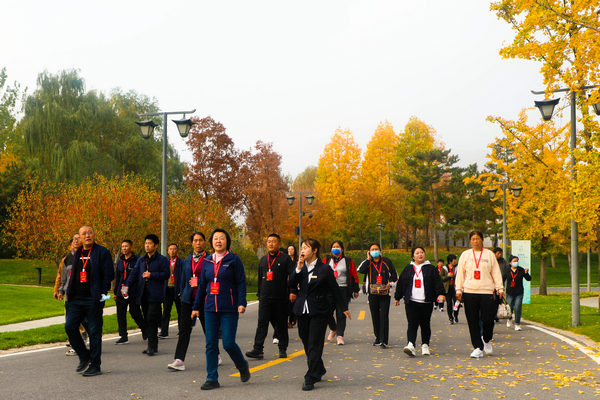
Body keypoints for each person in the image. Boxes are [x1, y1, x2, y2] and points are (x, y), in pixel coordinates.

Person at [191, 228, 250, 390]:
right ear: (211, 242)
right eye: (215, 238)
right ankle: (212, 378)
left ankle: (242, 365)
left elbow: (240, 282)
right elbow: (202, 286)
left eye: (222, 238)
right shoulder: (207, 262)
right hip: (210, 308)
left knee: (228, 343)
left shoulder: (233, 260)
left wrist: (241, 302)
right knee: (211, 344)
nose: (218, 241)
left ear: (227, 241)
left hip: (229, 308)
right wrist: (196, 307)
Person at [290, 238, 349, 391]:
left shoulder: (324, 269)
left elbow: (335, 290)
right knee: (306, 341)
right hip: (302, 310)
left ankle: (310, 376)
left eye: (306, 247)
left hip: (319, 310)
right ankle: (319, 368)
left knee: (315, 343)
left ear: (314, 250)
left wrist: (343, 307)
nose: (303, 250)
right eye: (301, 247)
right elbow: (291, 284)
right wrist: (297, 268)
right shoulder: (300, 267)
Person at [64, 225, 114, 377]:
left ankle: (95, 365)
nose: (87, 235)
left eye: (90, 232)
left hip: (93, 299)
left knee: (94, 332)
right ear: (79, 237)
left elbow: (108, 274)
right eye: (84, 233)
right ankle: (84, 356)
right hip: (75, 299)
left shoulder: (102, 252)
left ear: (94, 234)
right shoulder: (76, 253)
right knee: (70, 327)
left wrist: (101, 294)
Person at [455, 231, 505, 358]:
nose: (475, 241)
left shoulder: (489, 255)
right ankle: (478, 347)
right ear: (470, 241)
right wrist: (458, 289)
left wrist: (499, 288)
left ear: (482, 240)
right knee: (472, 320)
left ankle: (487, 339)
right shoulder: (465, 255)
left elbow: (496, 272)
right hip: (470, 291)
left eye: (477, 239)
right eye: (473, 239)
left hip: (486, 291)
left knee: (488, 319)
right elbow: (460, 273)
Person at [246, 233, 294, 360]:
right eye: (269, 242)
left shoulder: (285, 259)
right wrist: (259, 294)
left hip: (280, 298)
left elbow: (292, 277)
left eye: (273, 241)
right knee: (262, 323)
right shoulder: (263, 260)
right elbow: (260, 279)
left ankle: (282, 348)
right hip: (265, 298)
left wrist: (292, 291)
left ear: (279, 243)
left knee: (282, 323)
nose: (271, 244)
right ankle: (257, 349)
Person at [123, 234, 170, 356]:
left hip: (155, 294)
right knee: (149, 319)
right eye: (145, 243)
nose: (147, 246)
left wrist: (152, 275)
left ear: (156, 245)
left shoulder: (162, 260)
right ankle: (152, 346)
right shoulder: (141, 260)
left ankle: (151, 346)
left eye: (149, 243)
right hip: (143, 294)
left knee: (151, 318)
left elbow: (166, 274)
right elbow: (134, 274)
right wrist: (127, 284)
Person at [168, 232, 209, 371]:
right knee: (184, 329)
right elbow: (183, 278)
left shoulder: (210, 259)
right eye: (195, 240)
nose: (198, 243)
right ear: (192, 243)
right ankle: (179, 360)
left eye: (200, 240)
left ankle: (215, 354)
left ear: (204, 242)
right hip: (188, 299)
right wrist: (182, 291)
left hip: (204, 299)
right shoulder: (187, 260)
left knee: (208, 330)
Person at [394, 247, 445, 357]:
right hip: (411, 301)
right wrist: (397, 297)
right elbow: (401, 283)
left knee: (425, 324)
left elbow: (437, 282)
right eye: (417, 253)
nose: (420, 254)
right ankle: (411, 345)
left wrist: (441, 293)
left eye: (422, 252)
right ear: (413, 256)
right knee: (412, 324)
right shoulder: (408, 268)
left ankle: (425, 345)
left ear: (425, 255)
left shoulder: (431, 268)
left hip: (426, 302)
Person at [357, 243, 398, 348]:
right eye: (372, 249)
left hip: (385, 293)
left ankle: (384, 340)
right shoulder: (368, 262)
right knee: (375, 316)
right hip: (372, 293)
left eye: (376, 249)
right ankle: (378, 338)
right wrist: (368, 259)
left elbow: (394, 275)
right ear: (369, 252)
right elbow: (360, 270)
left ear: (380, 250)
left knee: (384, 316)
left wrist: (389, 283)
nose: (374, 251)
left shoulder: (386, 261)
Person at [323, 240, 359, 345]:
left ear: (342, 249)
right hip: (329, 289)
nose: (335, 248)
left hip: (343, 289)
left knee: (341, 313)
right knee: (327, 311)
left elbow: (354, 274)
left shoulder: (347, 260)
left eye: (337, 247)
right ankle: (333, 328)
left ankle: (340, 335)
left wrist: (356, 289)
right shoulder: (327, 259)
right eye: (333, 246)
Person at [114, 239, 144, 344]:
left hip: (133, 291)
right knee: (120, 314)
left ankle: (144, 329)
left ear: (131, 247)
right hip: (121, 291)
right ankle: (123, 336)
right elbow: (117, 277)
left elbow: (140, 276)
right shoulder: (120, 261)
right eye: (122, 247)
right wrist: (115, 292)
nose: (124, 248)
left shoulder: (138, 260)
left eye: (126, 246)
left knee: (134, 312)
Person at [160, 243, 183, 338]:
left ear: (177, 251)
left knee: (180, 311)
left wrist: (182, 290)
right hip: (167, 290)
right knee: (166, 311)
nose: (172, 251)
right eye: (170, 249)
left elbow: (183, 277)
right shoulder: (165, 262)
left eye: (174, 249)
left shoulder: (181, 263)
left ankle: (182, 330)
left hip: (177, 290)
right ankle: (164, 332)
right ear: (168, 251)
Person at [502, 255, 531, 331]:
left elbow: (528, 279)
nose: (516, 262)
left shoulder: (521, 270)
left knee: (518, 307)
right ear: (510, 262)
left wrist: (526, 273)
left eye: (517, 261)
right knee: (509, 307)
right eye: (514, 261)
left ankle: (517, 324)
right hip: (510, 292)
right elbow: (502, 279)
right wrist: (500, 289)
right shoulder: (507, 270)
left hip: (519, 292)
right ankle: (509, 319)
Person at [444, 254, 460, 324]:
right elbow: (441, 278)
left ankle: (456, 315)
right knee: (449, 304)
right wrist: (447, 276)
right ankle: (450, 317)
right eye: (454, 259)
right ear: (450, 261)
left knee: (457, 303)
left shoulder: (458, 268)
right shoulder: (444, 268)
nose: (455, 261)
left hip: (455, 288)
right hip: (448, 289)